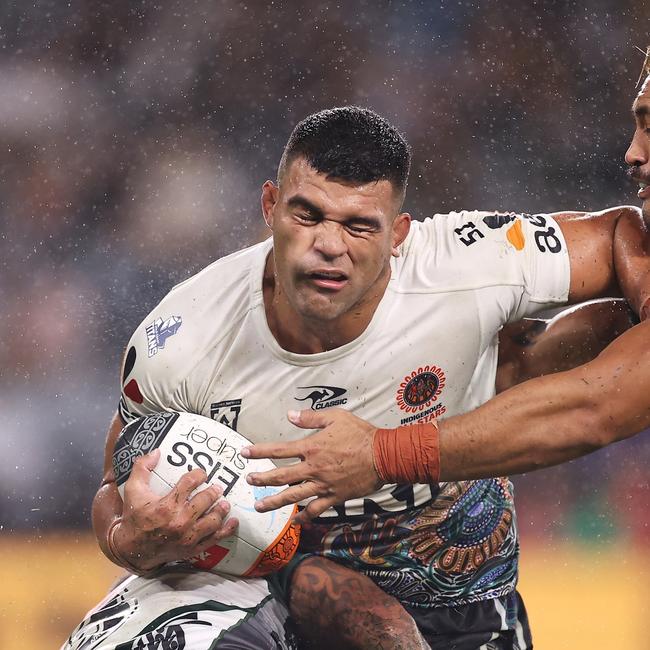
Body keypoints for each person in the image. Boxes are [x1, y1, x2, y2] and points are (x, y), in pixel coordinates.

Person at [68, 103, 645, 650]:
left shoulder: (470, 262)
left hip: (456, 589)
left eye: (359, 226)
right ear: (270, 207)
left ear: (398, 235)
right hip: (264, 585)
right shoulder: (180, 341)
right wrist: (128, 539)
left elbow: (624, 233)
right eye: (307, 215)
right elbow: (115, 487)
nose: (329, 247)